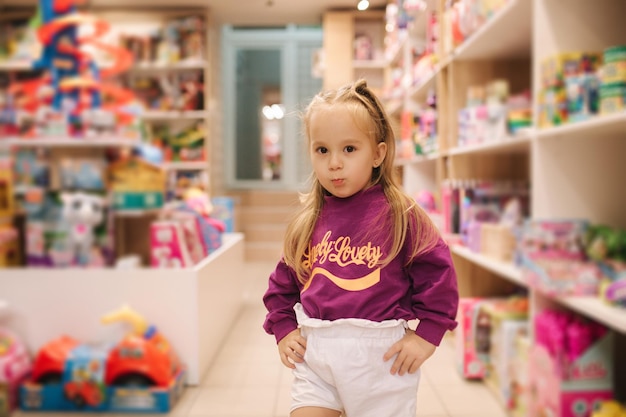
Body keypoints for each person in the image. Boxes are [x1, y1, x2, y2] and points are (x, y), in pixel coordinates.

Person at [263, 79, 459, 417]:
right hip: (317, 353)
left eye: (349, 149)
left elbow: (438, 276)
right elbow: (282, 285)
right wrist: (283, 328)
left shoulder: (401, 214)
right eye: (322, 150)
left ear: (378, 154)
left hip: (382, 361)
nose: (334, 163)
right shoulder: (308, 221)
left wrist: (427, 335)